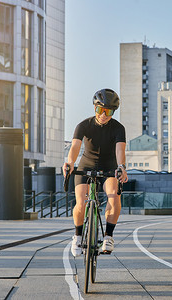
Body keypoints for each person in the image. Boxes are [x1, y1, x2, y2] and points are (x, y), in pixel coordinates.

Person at [63, 88, 128, 257]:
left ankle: (108, 236)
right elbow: (75, 146)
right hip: (86, 165)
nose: (104, 115)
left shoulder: (118, 128)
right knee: (81, 202)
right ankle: (77, 236)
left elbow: (120, 150)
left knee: (113, 196)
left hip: (109, 166)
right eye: (100, 110)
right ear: (95, 108)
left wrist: (121, 166)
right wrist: (70, 162)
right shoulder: (83, 125)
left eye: (109, 112)